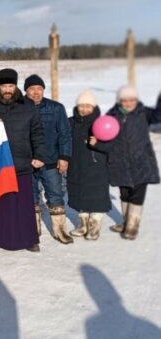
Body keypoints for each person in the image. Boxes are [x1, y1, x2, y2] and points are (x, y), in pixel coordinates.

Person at [0, 69, 46, 252]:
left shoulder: (28, 105)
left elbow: (37, 132)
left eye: (10, 85)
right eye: (4, 86)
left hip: (22, 162)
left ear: (15, 86)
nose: (7, 89)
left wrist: (39, 155)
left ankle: (28, 239)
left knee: (23, 204)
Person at [106, 86, 161, 240]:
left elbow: (159, 116)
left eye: (132, 100)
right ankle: (125, 222)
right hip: (120, 162)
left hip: (141, 162)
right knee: (124, 193)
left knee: (137, 194)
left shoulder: (144, 113)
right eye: (125, 100)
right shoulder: (112, 114)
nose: (128, 103)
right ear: (119, 101)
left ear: (136, 100)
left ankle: (132, 226)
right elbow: (103, 129)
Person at [24, 74, 73, 244]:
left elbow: (65, 134)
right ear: (26, 91)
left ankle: (60, 230)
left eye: (39, 89)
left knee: (55, 195)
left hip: (51, 161)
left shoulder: (56, 108)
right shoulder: (19, 107)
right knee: (30, 196)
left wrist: (64, 157)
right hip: (27, 163)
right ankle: (33, 229)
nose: (36, 93)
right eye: (32, 89)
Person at [67, 90, 113, 240]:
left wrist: (97, 144)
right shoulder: (71, 122)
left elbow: (113, 147)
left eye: (88, 106)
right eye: (82, 106)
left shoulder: (101, 123)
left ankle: (94, 227)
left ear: (94, 107)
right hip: (76, 164)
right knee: (79, 195)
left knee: (96, 196)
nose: (84, 109)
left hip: (96, 167)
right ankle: (82, 225)